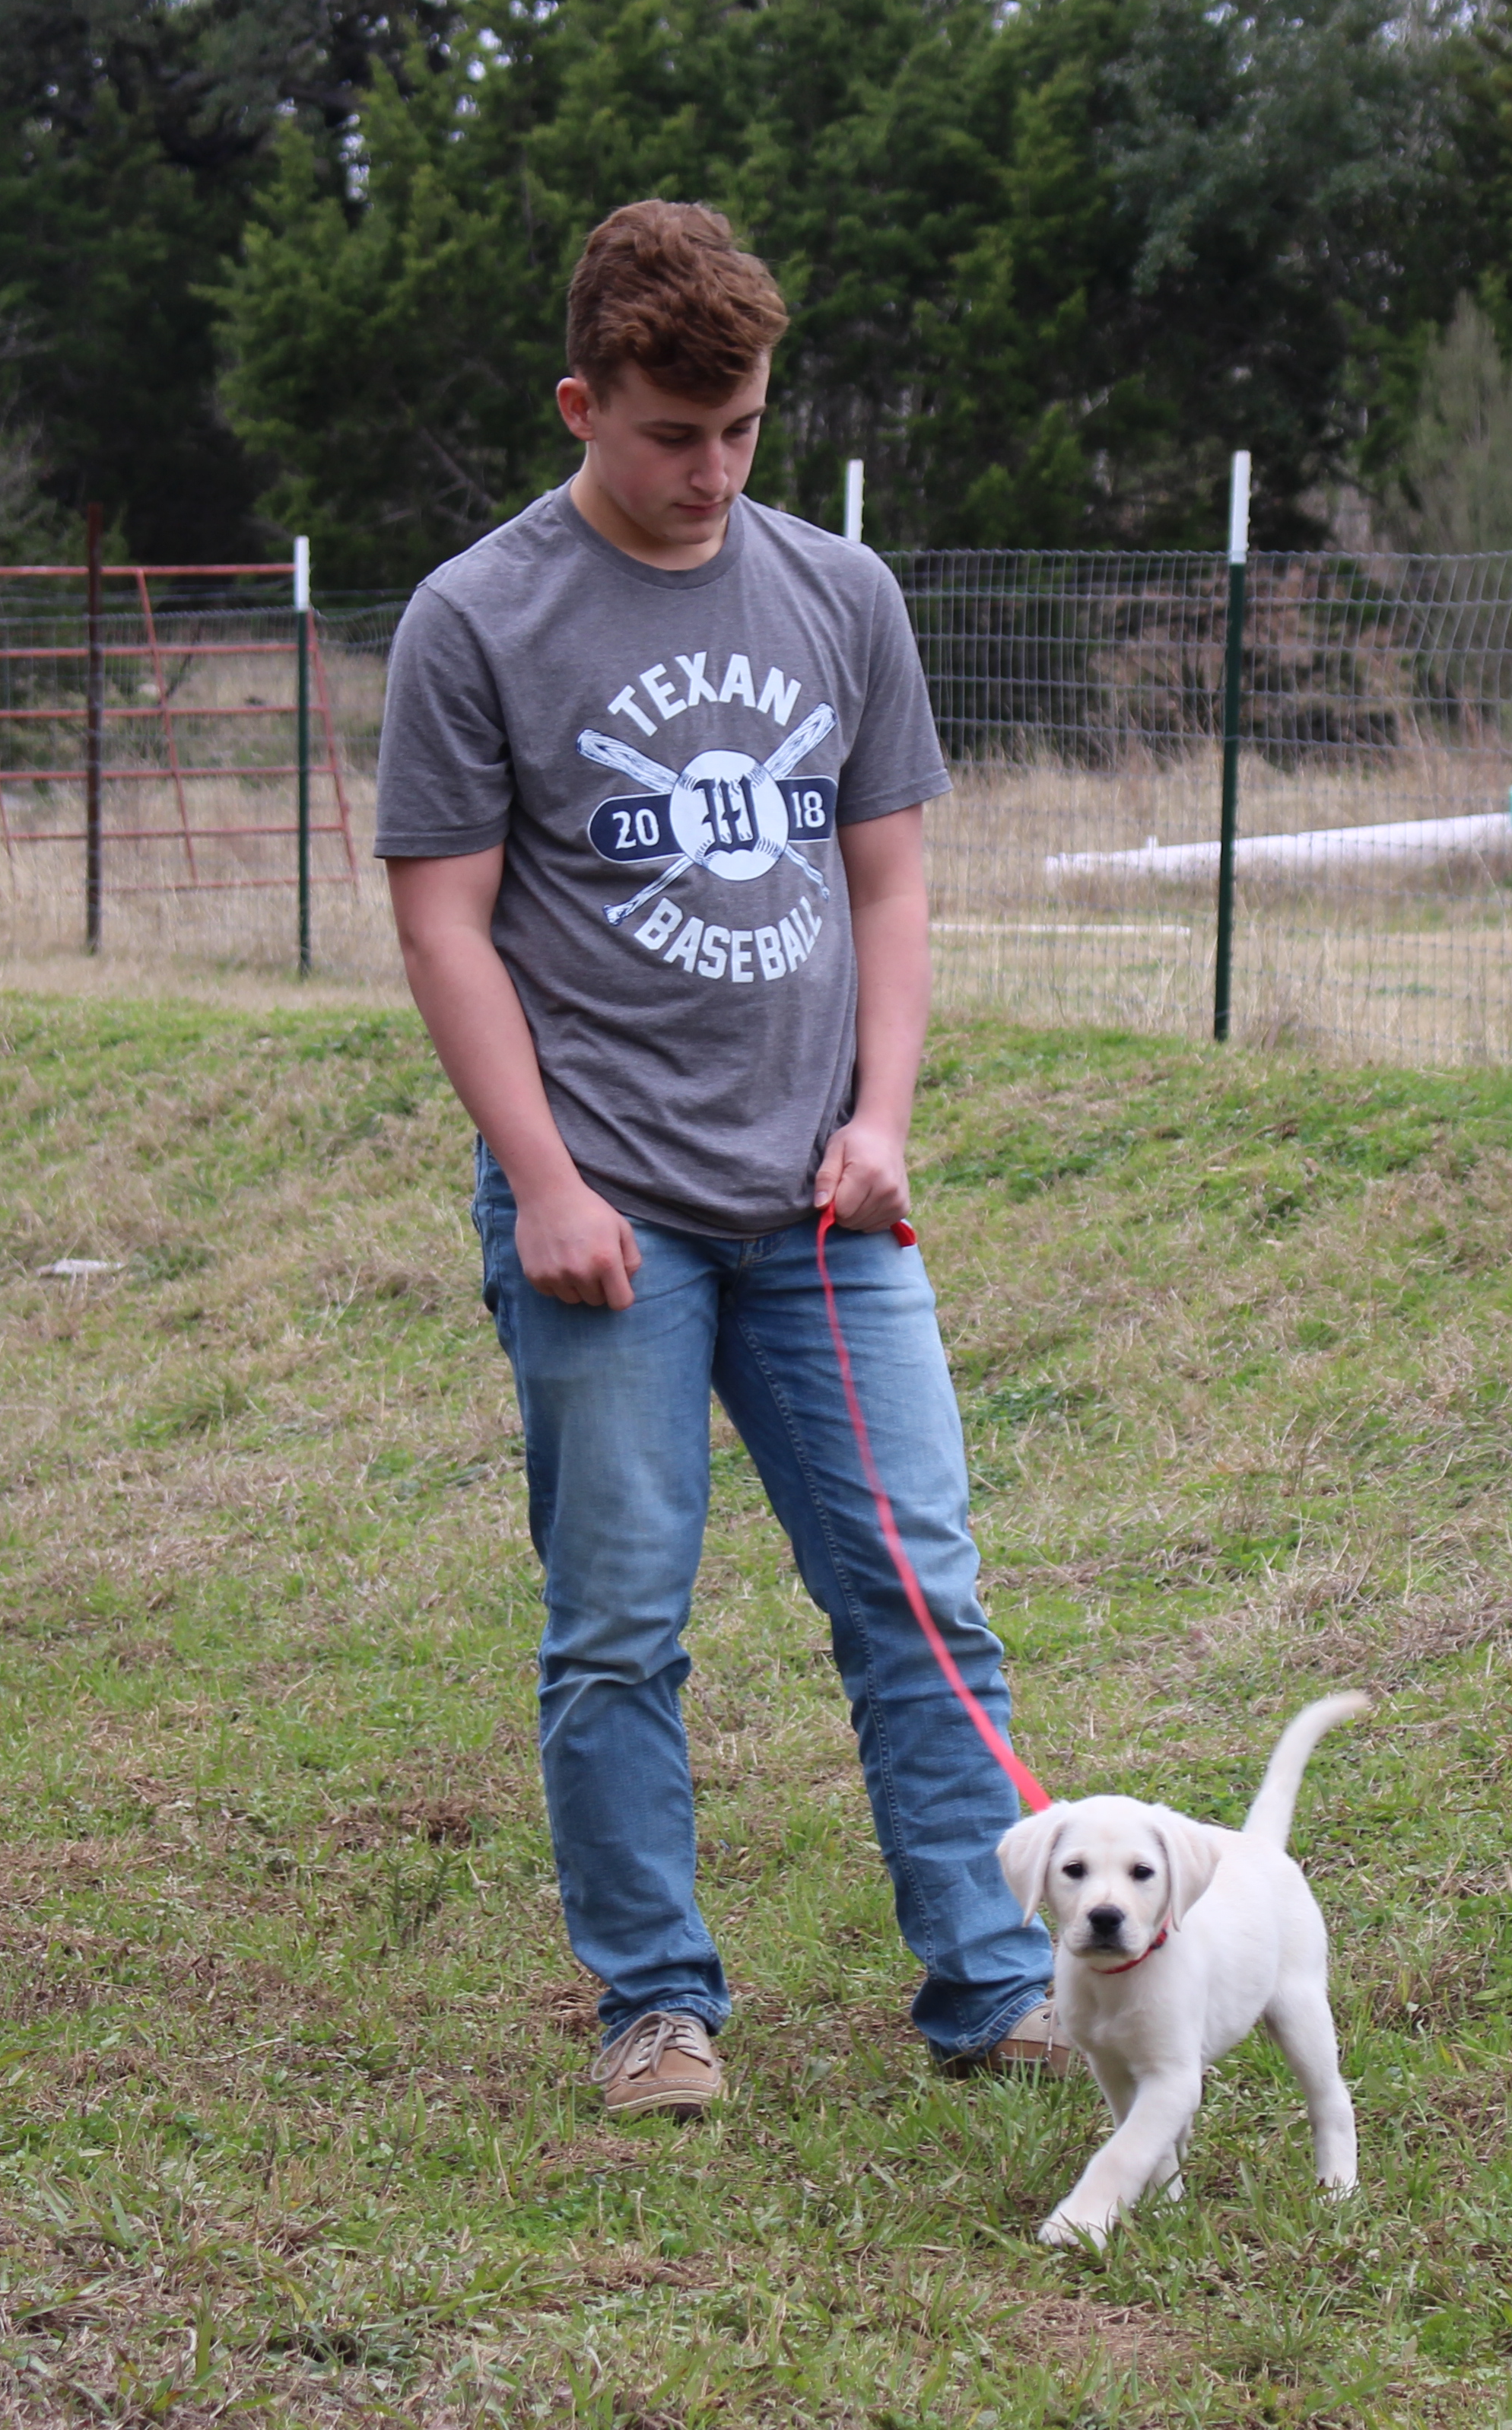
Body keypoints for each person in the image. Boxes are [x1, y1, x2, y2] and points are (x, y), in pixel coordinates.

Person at [373, 200, 1055, 2117]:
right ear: (585, 403)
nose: (711, 473)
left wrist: (883, 1118)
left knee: (921, 1591)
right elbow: (444, 924)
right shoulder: (478, 619)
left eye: (742, 429)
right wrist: (550, 1181)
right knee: (618, 1626)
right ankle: (655, 2006)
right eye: (673, 433)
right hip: (611, 1218)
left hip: (824, 1213)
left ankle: (995, 1981)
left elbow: (891, 878)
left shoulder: (843, 597)